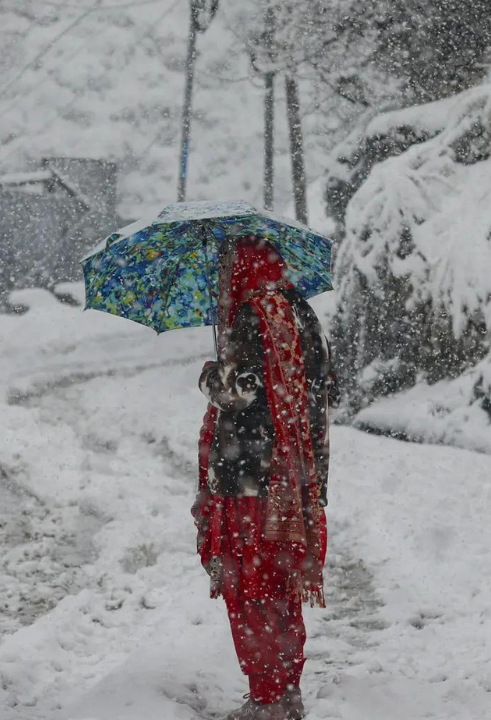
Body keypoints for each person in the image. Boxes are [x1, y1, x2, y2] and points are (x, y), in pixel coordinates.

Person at [193, 236, 332, 720]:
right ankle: (286, 690)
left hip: (250, 478)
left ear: (244, 266)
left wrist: (210, 374)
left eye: (229, 265)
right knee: (280, 585)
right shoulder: (301, 312)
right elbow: (320, 390)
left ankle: (268, 696)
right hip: (294, 478)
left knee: (250, 587)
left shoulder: (252, 316)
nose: (224, 275)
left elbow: (239, 391)